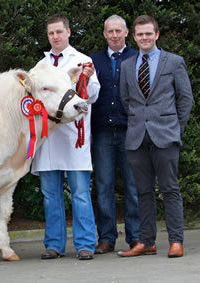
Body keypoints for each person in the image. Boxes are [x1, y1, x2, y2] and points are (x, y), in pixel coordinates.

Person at [118, 15, 193, 258]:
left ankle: (176, 241)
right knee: (143, 191)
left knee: (170, 189)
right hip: (137, 137)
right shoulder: (128, 65)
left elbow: (185, 99)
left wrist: (175, 129)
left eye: (148, 33)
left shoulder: (174, 62)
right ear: (134, 37)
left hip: (166, 135)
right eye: (140, 34)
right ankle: (147, 241)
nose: (145, 38)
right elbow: (126, 100)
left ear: (157, 34)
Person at [31, 14, 100, 260]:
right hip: (48, 139)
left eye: (59, 32)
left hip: (73, 136)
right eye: (51, 33)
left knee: (80, 192)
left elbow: (92, 96)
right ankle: (54, 244)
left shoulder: (83, 61)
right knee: (50, 194)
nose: (55, 37)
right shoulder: (40, 67)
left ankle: (85, 244)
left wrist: (89, 78)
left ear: (68, 32)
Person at [90, 15, 139, 254]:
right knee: (103, 186)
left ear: (126, 32)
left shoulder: (137, 58)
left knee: (133, 186)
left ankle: (136, 237)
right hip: (102, 132)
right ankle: (107, 238)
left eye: (119, 31)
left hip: (131, 131)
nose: (114, 35)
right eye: (110, 31)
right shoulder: (93, 61)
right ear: (104, 34)